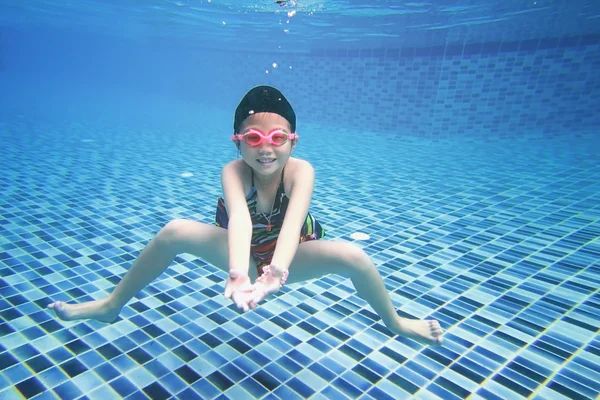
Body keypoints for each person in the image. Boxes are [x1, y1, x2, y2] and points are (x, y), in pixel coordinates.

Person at [48, 85, 444, 346]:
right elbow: (238, 218)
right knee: (173, 231)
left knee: (354, 257)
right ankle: (111, 305)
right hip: (244, 255)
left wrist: (277, 272)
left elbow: (293, 226)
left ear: (293, 142)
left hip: (287, 258)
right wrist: (239, 272)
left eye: (278, 138)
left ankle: (395, 321)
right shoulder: (233, 172)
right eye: (254, 138)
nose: (266, 148)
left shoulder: (301, 171)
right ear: (239, 141)